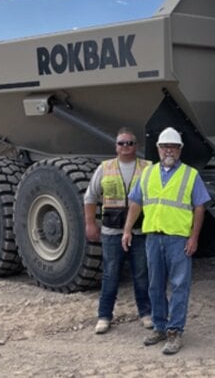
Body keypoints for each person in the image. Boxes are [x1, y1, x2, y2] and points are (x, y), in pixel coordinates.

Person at [122, 127, 210, 355]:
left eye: (173, 147)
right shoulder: (148, 174)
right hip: (153, 238)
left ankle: (175, 332)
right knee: (155, 285)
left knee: (180, 286)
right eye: (164, 147)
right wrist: (127, 230)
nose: (168, 150)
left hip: (178, 240)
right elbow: (135, 203)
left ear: (180, 150)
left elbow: (199, 208)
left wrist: (194, 237)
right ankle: (160, 327)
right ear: (158, 149)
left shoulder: (190, 175)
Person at [84, 127, 152, 335]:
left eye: (129, 143)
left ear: (136, 146)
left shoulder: (147, 168)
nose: (125, 147)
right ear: (116, 146)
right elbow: (90, 197)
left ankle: (146, 314)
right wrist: (90, 223)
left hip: (140, 231)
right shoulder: (105, 168)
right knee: (110, 274)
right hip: (112, 232)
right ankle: (104, 316)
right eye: (121, 143)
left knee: (141, 274)